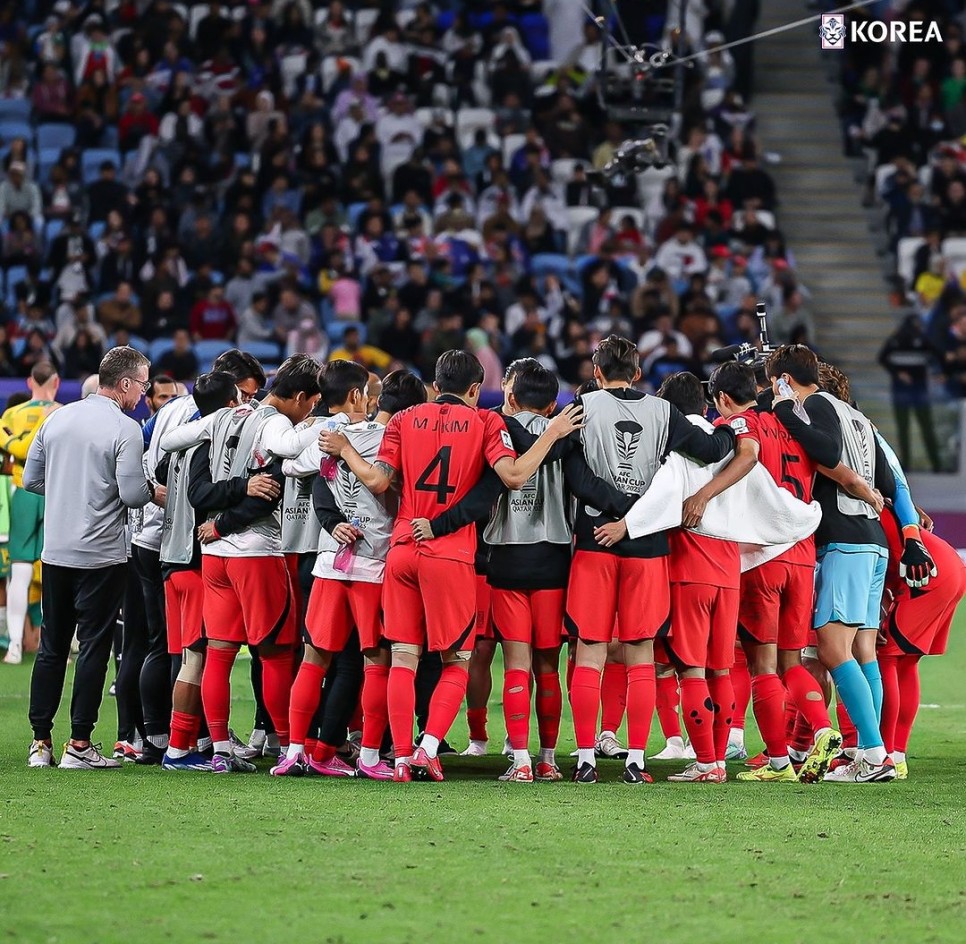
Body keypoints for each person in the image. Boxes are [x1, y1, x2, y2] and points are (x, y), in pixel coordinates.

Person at [319, 349, 583, 782]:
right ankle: (427, 748)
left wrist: (347, 449)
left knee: (403, 658)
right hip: (450, 553)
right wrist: (552, 433)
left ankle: (399, 758)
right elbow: (514, 476)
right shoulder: (485, 422)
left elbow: (379, 480)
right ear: (476, 390)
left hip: (402, 548)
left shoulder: (403, 420)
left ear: (435, 385)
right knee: (457, 660)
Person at [415, 359, 633, 782]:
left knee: (515, 663)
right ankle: (549, 758)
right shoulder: (569, 437)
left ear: (509, 397)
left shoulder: (492, 431)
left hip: (506, 559)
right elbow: (588, 486)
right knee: (547, 666)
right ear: (553, 404)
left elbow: (479, 498)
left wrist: (439, 525)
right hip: (554, 559)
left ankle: (520, 761)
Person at [565, 335, 735, 785]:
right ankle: (636, 761)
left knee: (590, 649)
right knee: (641, 651)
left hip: (594, 538)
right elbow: (713, 450)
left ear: (597, 372)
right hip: (648, 543)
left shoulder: (583, 405)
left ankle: (584, 758)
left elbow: (573, 472)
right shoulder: (663, 411)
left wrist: (614, 507)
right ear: (638, 374)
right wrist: (730, 426)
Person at [162, 355, 324, 773]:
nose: (309, 413)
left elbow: (169, 442)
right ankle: (291, 749)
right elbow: (285, 454)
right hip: (257, 553)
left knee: (217, 654)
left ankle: (218, 748)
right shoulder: (273, 422)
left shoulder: (221, 418)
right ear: (302, 397)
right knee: (274, 655)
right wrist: (332, 425)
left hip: (215, 558)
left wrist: (219, 522)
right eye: (311, 406)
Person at [273, 369, 428, 779]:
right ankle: (372, 757)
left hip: (329, 563)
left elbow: (292, 468)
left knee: (313, 660)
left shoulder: (331, 435)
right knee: (376, 661)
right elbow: (384, 485)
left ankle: (292, 753)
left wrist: (332, 518)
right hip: (373, 565)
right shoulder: (397, 440)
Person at [766, 345, 904, 783]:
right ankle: (865, 752)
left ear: (785, 379)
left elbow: (823, 449)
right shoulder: (859, 417)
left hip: (844, 540)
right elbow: (884, 482)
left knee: (830, 648)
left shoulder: (817, 404)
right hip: (873, 541)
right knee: (863, 650)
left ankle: (874, 753)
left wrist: (785, 410)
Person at [24, 347, 164, 769]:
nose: (143, 393)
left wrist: (71, 490)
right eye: (142, 384)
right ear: (124, 384)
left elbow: (31, 479)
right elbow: (133, 494)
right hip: (101, 555)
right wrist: (158, 492)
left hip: (57, 550)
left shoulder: (57, 418)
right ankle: (80, 745)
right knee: (93, 648)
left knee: (51, 647)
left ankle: (41, 743)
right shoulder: (124, 428)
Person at [157, 371, 281, 771]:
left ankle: (210, 745)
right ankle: (180, 747)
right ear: (230, 403)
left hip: (175, 555)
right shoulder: (208, 444)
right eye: (242, 396)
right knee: (209, 657)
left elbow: (157, 473)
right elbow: (200, 495)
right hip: (203, 557)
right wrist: (246, 485)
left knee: (201, 656)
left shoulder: (183, 437)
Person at [878, 505, 966, 780]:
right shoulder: (886, 502)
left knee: (886, 656)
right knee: (905, 662)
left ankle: (886, 753)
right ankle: (897, 754)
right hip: (948, 566)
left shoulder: (863, 505)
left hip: (926, 574)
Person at [0, 365, 61, 666]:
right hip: (56, 493)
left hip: (24, 490)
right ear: (57, 382)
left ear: (28, 382)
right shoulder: (65, 412)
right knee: (57, 570)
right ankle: (59, 648)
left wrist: (19, 442)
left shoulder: (11, 415)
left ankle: (13, 647)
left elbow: (14, 446)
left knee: (20, 570)